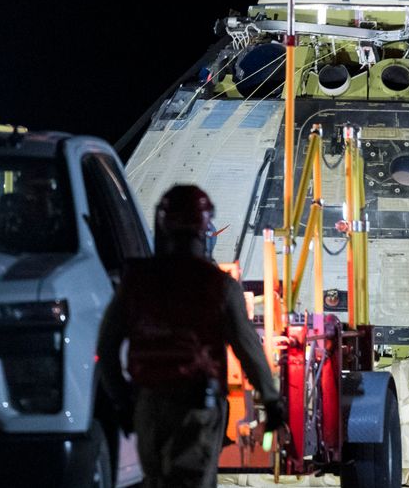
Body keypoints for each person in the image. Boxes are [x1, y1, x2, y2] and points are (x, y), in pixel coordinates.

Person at [96, 184, 287, 488]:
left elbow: (106, 349)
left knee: (155, 480)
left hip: (148, 406)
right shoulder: (219, 286)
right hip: (196, 411)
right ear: (204, 228)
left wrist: (122, 402)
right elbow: (247, 349)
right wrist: (273, 403)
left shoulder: (136, 281)